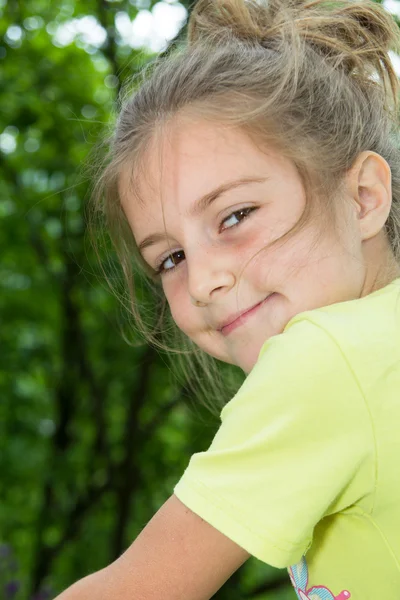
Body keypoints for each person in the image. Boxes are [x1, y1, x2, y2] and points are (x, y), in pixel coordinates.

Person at [56, 0, 400, 597]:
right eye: (170, 258)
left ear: (364, 197)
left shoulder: (327, 360)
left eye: (235, 215)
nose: (202, 281)